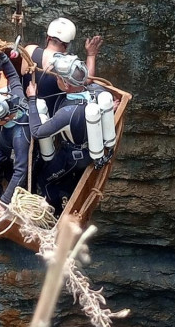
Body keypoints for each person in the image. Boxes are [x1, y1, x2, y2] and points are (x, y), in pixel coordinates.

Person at [26, 54, 119, 213]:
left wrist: (32, 100)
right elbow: (111, 101)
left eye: (58, 78)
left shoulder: (67, 113)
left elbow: (37, 131)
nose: (56, 80)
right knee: (65, 177)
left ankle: (56, 215)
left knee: (45, 179)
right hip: (91, 148)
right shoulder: (97, 90)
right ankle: (66, 193)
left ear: (67, 85)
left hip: (74, 157)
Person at [23, 18, 103, 111]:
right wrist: (91, 55)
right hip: (51, 113)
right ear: (67, 44)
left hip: (26, 106)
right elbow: (86, 80)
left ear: (48, 38)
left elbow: (22, 72)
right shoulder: (67, 65)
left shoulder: (29, 50)